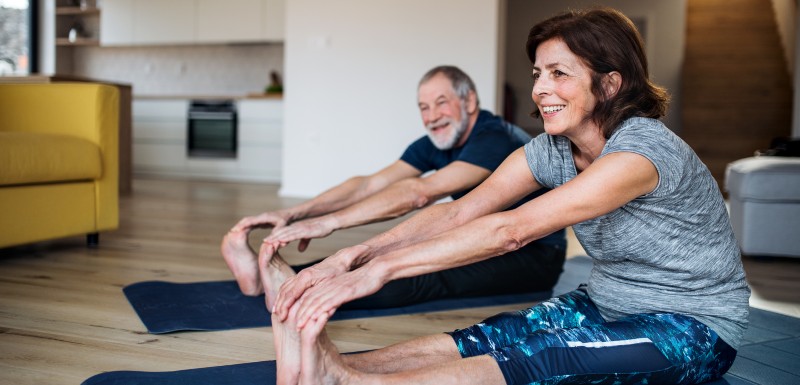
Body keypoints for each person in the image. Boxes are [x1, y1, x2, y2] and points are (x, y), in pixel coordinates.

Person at [267, 7, 751, 385]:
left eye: (559, 74)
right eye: (538, 73)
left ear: (608, 84)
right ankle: (329, 366)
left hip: (692, 327)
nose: (540, 89)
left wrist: (374, 274)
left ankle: (347, 381)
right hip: (604, 301)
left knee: (543, 358)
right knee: (491, 335)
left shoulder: (642, 153)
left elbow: (511, 231)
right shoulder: (551, 150)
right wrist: (351, 257)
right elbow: (463, 210)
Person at [221, 65, 566, 310]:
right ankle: (290, 280)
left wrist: (330, 223)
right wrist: (295, 213)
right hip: (480, 235)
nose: (432, 116)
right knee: (390, 253)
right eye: (423, 107)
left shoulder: (494, 137)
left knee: (419, 271)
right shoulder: (439, 139)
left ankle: (293, 288)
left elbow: (420, 192)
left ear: (470, 102)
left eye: (441, 102)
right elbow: (372, 183)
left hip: (530, 255)